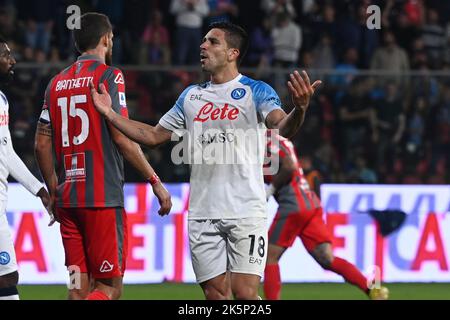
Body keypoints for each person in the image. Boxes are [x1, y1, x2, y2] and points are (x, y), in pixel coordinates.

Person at [90, 21, 321, 300]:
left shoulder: (256, 90)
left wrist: (300, 108)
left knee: (245, 294)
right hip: (202, 213)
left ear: (233, 53)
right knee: (214, 294)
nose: (203, 46)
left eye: (212, 42)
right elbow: (152, 136)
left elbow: (283, 129)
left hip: (246, 210)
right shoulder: (190, 96)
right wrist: (110, 114)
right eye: (203, 41)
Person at [34, 13, 172, 300]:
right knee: (109, 287)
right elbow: (122, 137)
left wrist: (53, 188)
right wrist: (154, 180)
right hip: (101, 200)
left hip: (68, 201)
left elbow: (41, 145)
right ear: (106, 39)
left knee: (77, 288)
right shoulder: (110, 75)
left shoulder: (54, 84)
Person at [263, 132, 389, 300]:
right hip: (310, 203)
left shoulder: (264, 140)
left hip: (293, 204)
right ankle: (372, 291)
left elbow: (289, 166)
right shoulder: (280, 140)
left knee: (269, 256)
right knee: (327, 258)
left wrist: (270, 190)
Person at [0, 37, 51, 300]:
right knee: (7, 277)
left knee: (6, 277)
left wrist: (39, 190)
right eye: (6, 55)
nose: (12, 61)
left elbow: (6, 151)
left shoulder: (2, 100)